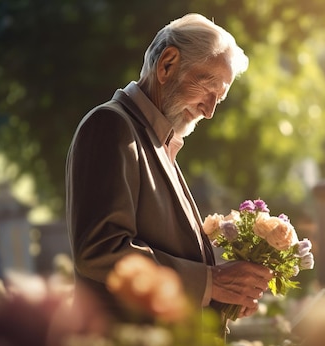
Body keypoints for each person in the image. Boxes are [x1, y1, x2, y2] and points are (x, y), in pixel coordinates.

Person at [65, 13, 273, 329]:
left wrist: (221, 294)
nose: (210, 111)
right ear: (167, 65)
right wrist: (210, 283)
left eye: (220, 98)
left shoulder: (157, 141)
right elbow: (100, 250)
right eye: (209, 88)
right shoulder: (111, 125)